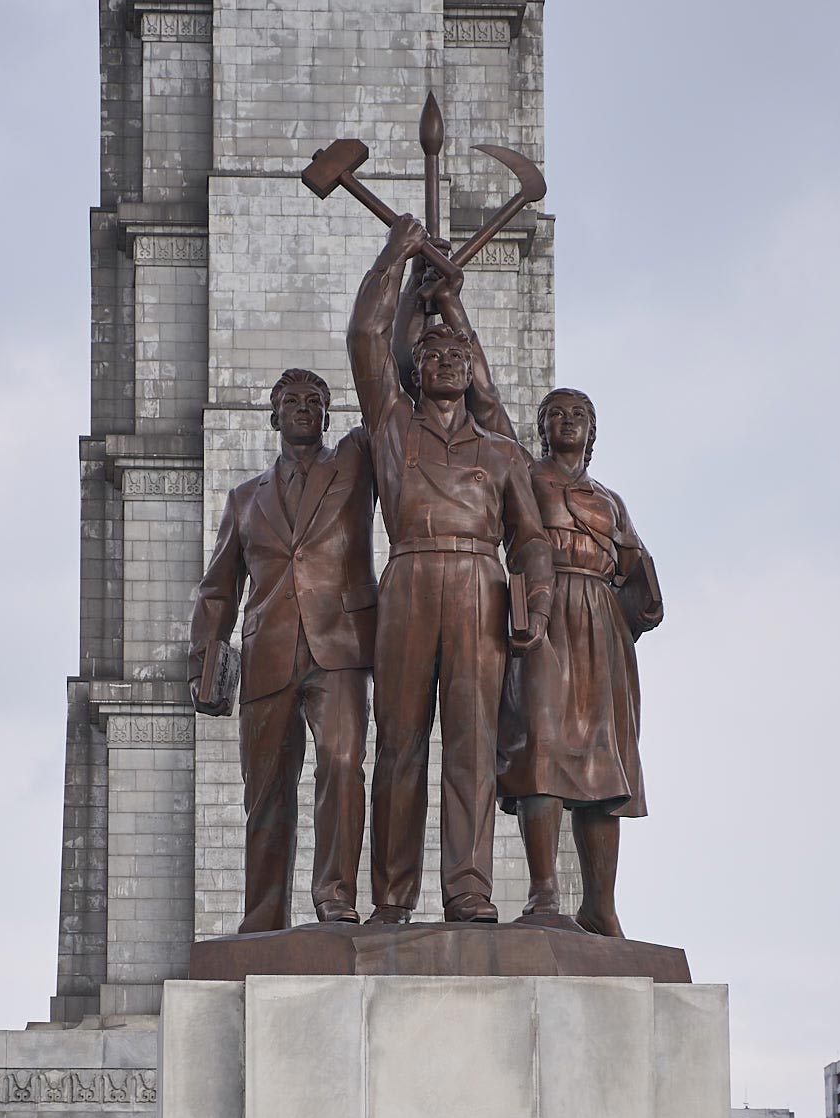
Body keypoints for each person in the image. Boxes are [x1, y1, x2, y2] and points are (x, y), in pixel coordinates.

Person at [395, 266, 663, 936]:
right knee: (537, 747)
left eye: (579, 414)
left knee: (604, 761)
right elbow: (478, 387)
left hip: (600, 625)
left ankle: (600, 903)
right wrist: (453, 309)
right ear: (539, 428)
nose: (567, 421)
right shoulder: (516, 462)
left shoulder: (609, 499)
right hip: (543, 620)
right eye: (556, 414)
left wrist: (634, 600)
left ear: (594, 432)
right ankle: (544, 893)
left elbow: (639, 570)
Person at [347, 215, 554, 924]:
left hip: (478, 587)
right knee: (399, 744)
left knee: (472, 745)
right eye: (433, 354)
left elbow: (531, 539)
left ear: (472, 372)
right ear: (417, 369)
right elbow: (367, 338)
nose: (446, 362)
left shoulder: (499, 452)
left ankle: (468, 888)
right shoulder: (391, 428)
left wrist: (537, 606)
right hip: (407, 580)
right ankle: (394, 897)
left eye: (459, 357)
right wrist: (395, 258)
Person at [188, 369, 377, 932]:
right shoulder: (246, 499)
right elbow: (219, 587)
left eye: (314, 402)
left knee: (343, 764)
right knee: (267, 790)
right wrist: (207, 667)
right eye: (291, 402)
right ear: (273, 417)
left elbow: (383, 380)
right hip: (266, 653)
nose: (302, 409)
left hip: (339, 647)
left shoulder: (355, 465)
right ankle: (264, 915)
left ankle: (335, 897)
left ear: (328, 415)